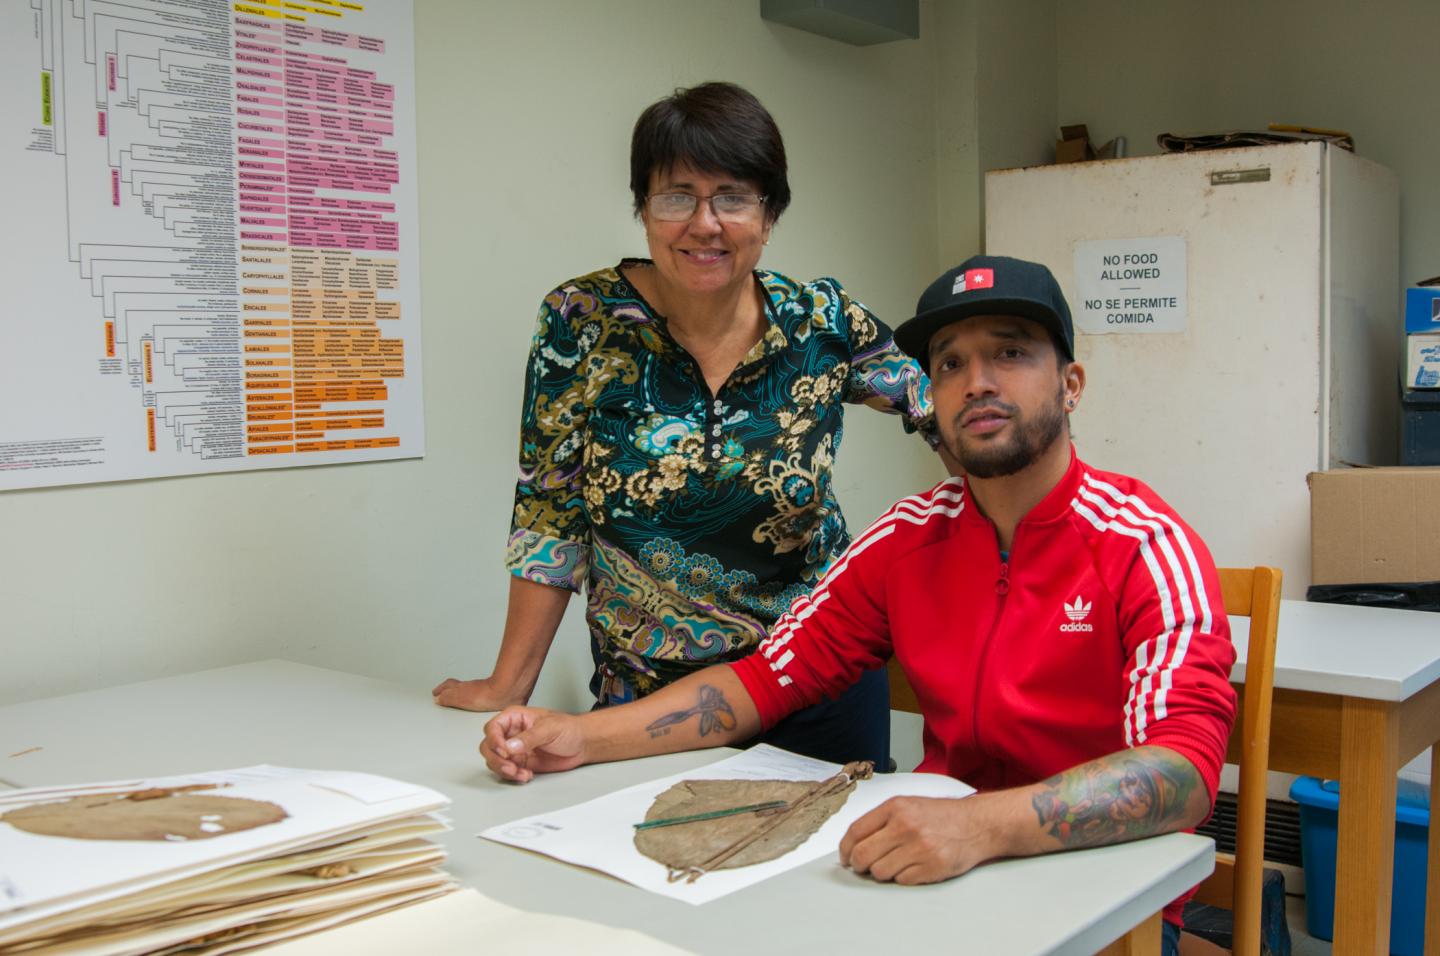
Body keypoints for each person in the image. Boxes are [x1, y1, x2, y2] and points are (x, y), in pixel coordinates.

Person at [478, 255, 1237, 955]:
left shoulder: (1144, 544)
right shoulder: (904, 543)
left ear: (1070, 384)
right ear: (929, 399)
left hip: (1105, 900)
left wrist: (981, 825)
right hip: (936, 883)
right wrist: (580, 737)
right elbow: (763, 680)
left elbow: (1183, 771)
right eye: (950, 364)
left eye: (1010, 352)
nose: (977, 381)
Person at [434, 82, 940, 769]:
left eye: (733, 197)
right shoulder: (582, 320)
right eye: (677, 196)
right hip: (645, 705)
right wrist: (508, 683)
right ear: (642, 209)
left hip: (816, 684)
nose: (705, 223)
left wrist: (1009, 563)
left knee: (830, 870)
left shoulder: (821, 322)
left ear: (769, 216)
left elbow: (952, 410)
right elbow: (550, 512)